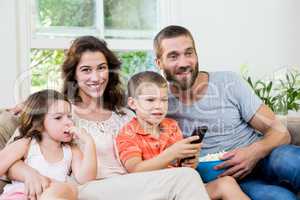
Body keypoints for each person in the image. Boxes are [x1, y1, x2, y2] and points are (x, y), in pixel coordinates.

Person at [6, 36, 210, 200]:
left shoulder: (126, 114)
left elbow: (152, 154)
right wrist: (29, 174)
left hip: (132, 186)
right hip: (87, 189)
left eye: (102, 68)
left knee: (187, 176)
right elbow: (14, 155)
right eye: (86, 70)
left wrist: (182, 158)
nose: (96, 78)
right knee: (186, 179)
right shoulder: (62, 116)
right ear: (73, 75)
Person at [153, 25, 300, 199]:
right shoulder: (157, 103)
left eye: (189, 53)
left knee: (288, 160)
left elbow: (280, 132)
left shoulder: (228, 83)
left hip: (264, 158)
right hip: (235, 183)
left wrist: (253, 152)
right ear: (159, 63)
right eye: (173, 56)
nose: (184, 63)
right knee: (280, 198)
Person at [116, 71, 250, 200]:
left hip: (182, 186)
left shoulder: (171, 126)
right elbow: (135, 170)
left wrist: (191, 161)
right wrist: (171, 154)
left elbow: (183, 168)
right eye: (150, 100)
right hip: (154, 192)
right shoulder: (127, 133)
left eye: (163, 100)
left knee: (226, 183)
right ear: (133, 103)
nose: (158, 106)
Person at [0, 89, 97, 200]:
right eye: (58, 117)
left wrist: (89, 142)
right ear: (39, 124)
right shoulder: (27, 144)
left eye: (69, 116)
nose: (69, 122)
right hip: (21, 195)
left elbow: (86, 178)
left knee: (69, 189)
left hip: (51, 195)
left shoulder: (71, 150)